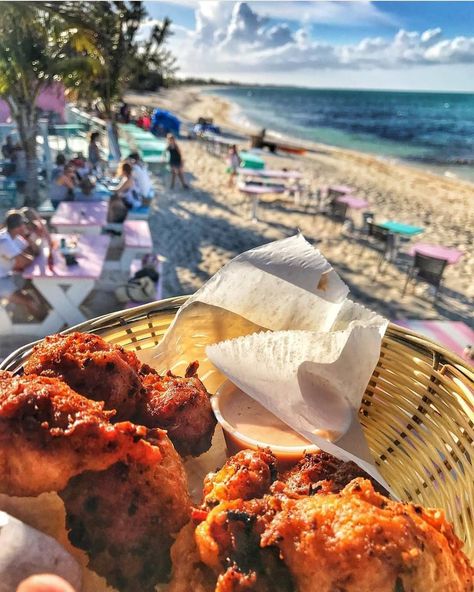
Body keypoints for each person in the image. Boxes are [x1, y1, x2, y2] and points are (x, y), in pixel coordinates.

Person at [0, 211, 45, 318]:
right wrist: (30, 257)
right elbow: (23, 262)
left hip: (7, 277)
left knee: (36, 284)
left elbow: (35, 251)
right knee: (29, 300)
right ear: (19, 226)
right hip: (1, 282)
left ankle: (48, 313)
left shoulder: (14, 236)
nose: (26, 226)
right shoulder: (4, 241)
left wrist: (28, 236)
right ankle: (48, 327)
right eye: (23, 224)